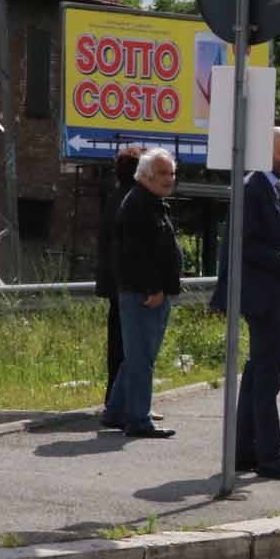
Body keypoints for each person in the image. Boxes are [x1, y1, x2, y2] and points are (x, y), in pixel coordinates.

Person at [213, 126, 280, 482]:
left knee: (259, 373)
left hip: (268, 293)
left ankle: (245, 452)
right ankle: (270, 457)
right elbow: (245, 246)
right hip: (261, 296)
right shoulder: (254, 187)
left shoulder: (269, 186)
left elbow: (269, 240)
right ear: (265, 151)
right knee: (267, 377)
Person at [102, 148, 182, 440]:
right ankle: (138, 419)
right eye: (163, 173)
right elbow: (134, 254)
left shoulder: (152, 203)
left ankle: (115, 411)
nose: (169, 179)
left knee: (137, 356)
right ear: (146, 176)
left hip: (149, 292)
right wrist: (153, 287)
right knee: (140, 360)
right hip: (143, 294)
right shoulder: (138, 204)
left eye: (171, 173)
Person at [95, 146, 140, 404]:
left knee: (118, 344)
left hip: (115, 285)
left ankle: (115, 398)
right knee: (129, 347)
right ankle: (124, 402)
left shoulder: (114, 197)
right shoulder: (132, 201)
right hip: (128, 286)